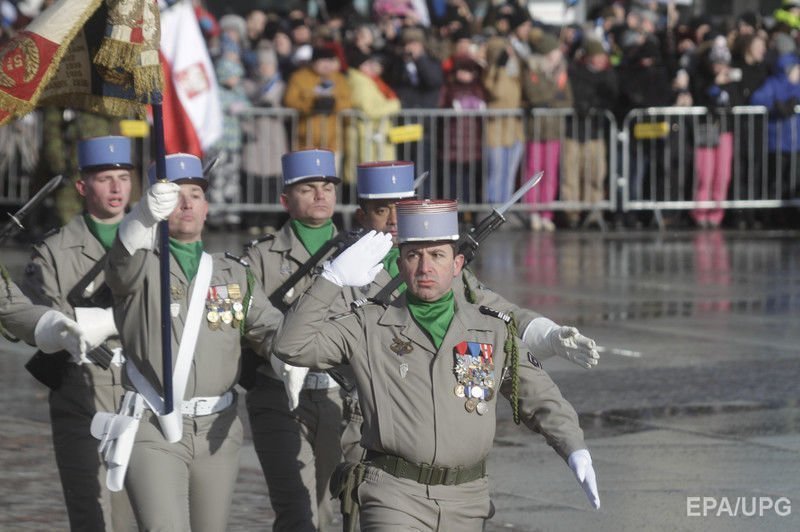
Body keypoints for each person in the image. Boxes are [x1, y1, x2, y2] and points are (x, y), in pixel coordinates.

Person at [274, 201, 601, 530]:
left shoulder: (492, 329)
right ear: (400, 263)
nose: (425, 267)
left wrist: (574, 447)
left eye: (437, 255)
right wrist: (332, 279)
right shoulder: (368, 325)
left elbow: (539, 396)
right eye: (415, 255)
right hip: (393, 495)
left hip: (468, 499)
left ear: (458, 263)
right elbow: (291, 345)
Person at [102, 153, 282, 531]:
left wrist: (300, 355)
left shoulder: (233, 271)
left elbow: (269, 331)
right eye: (175, 195)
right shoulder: (140, 264)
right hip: (154, 422)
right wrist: (141, 219)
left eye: (196, 194)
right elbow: (120, 265)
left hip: (219, 426)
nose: (186, 203)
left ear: (207, 207)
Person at [21, 135, 137, 531]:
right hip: (83, 386)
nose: (118, 187)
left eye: (123, 177)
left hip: (145, 385)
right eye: (106, 179)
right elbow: (47, 317)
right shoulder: (53, 250)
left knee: (145, 511)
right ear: (83, 187)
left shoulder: (155, 242)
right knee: (94, 508)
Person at [242, 148, 345, 531]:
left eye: (327, 187)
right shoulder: (261, 256)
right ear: (286, 200)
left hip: (340, 396)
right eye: (308, 188)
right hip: (279, 395)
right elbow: (251, 317)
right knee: (297, 512)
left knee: (329, 507)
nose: (321, 195)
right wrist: (285, 351)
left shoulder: (358, 253)